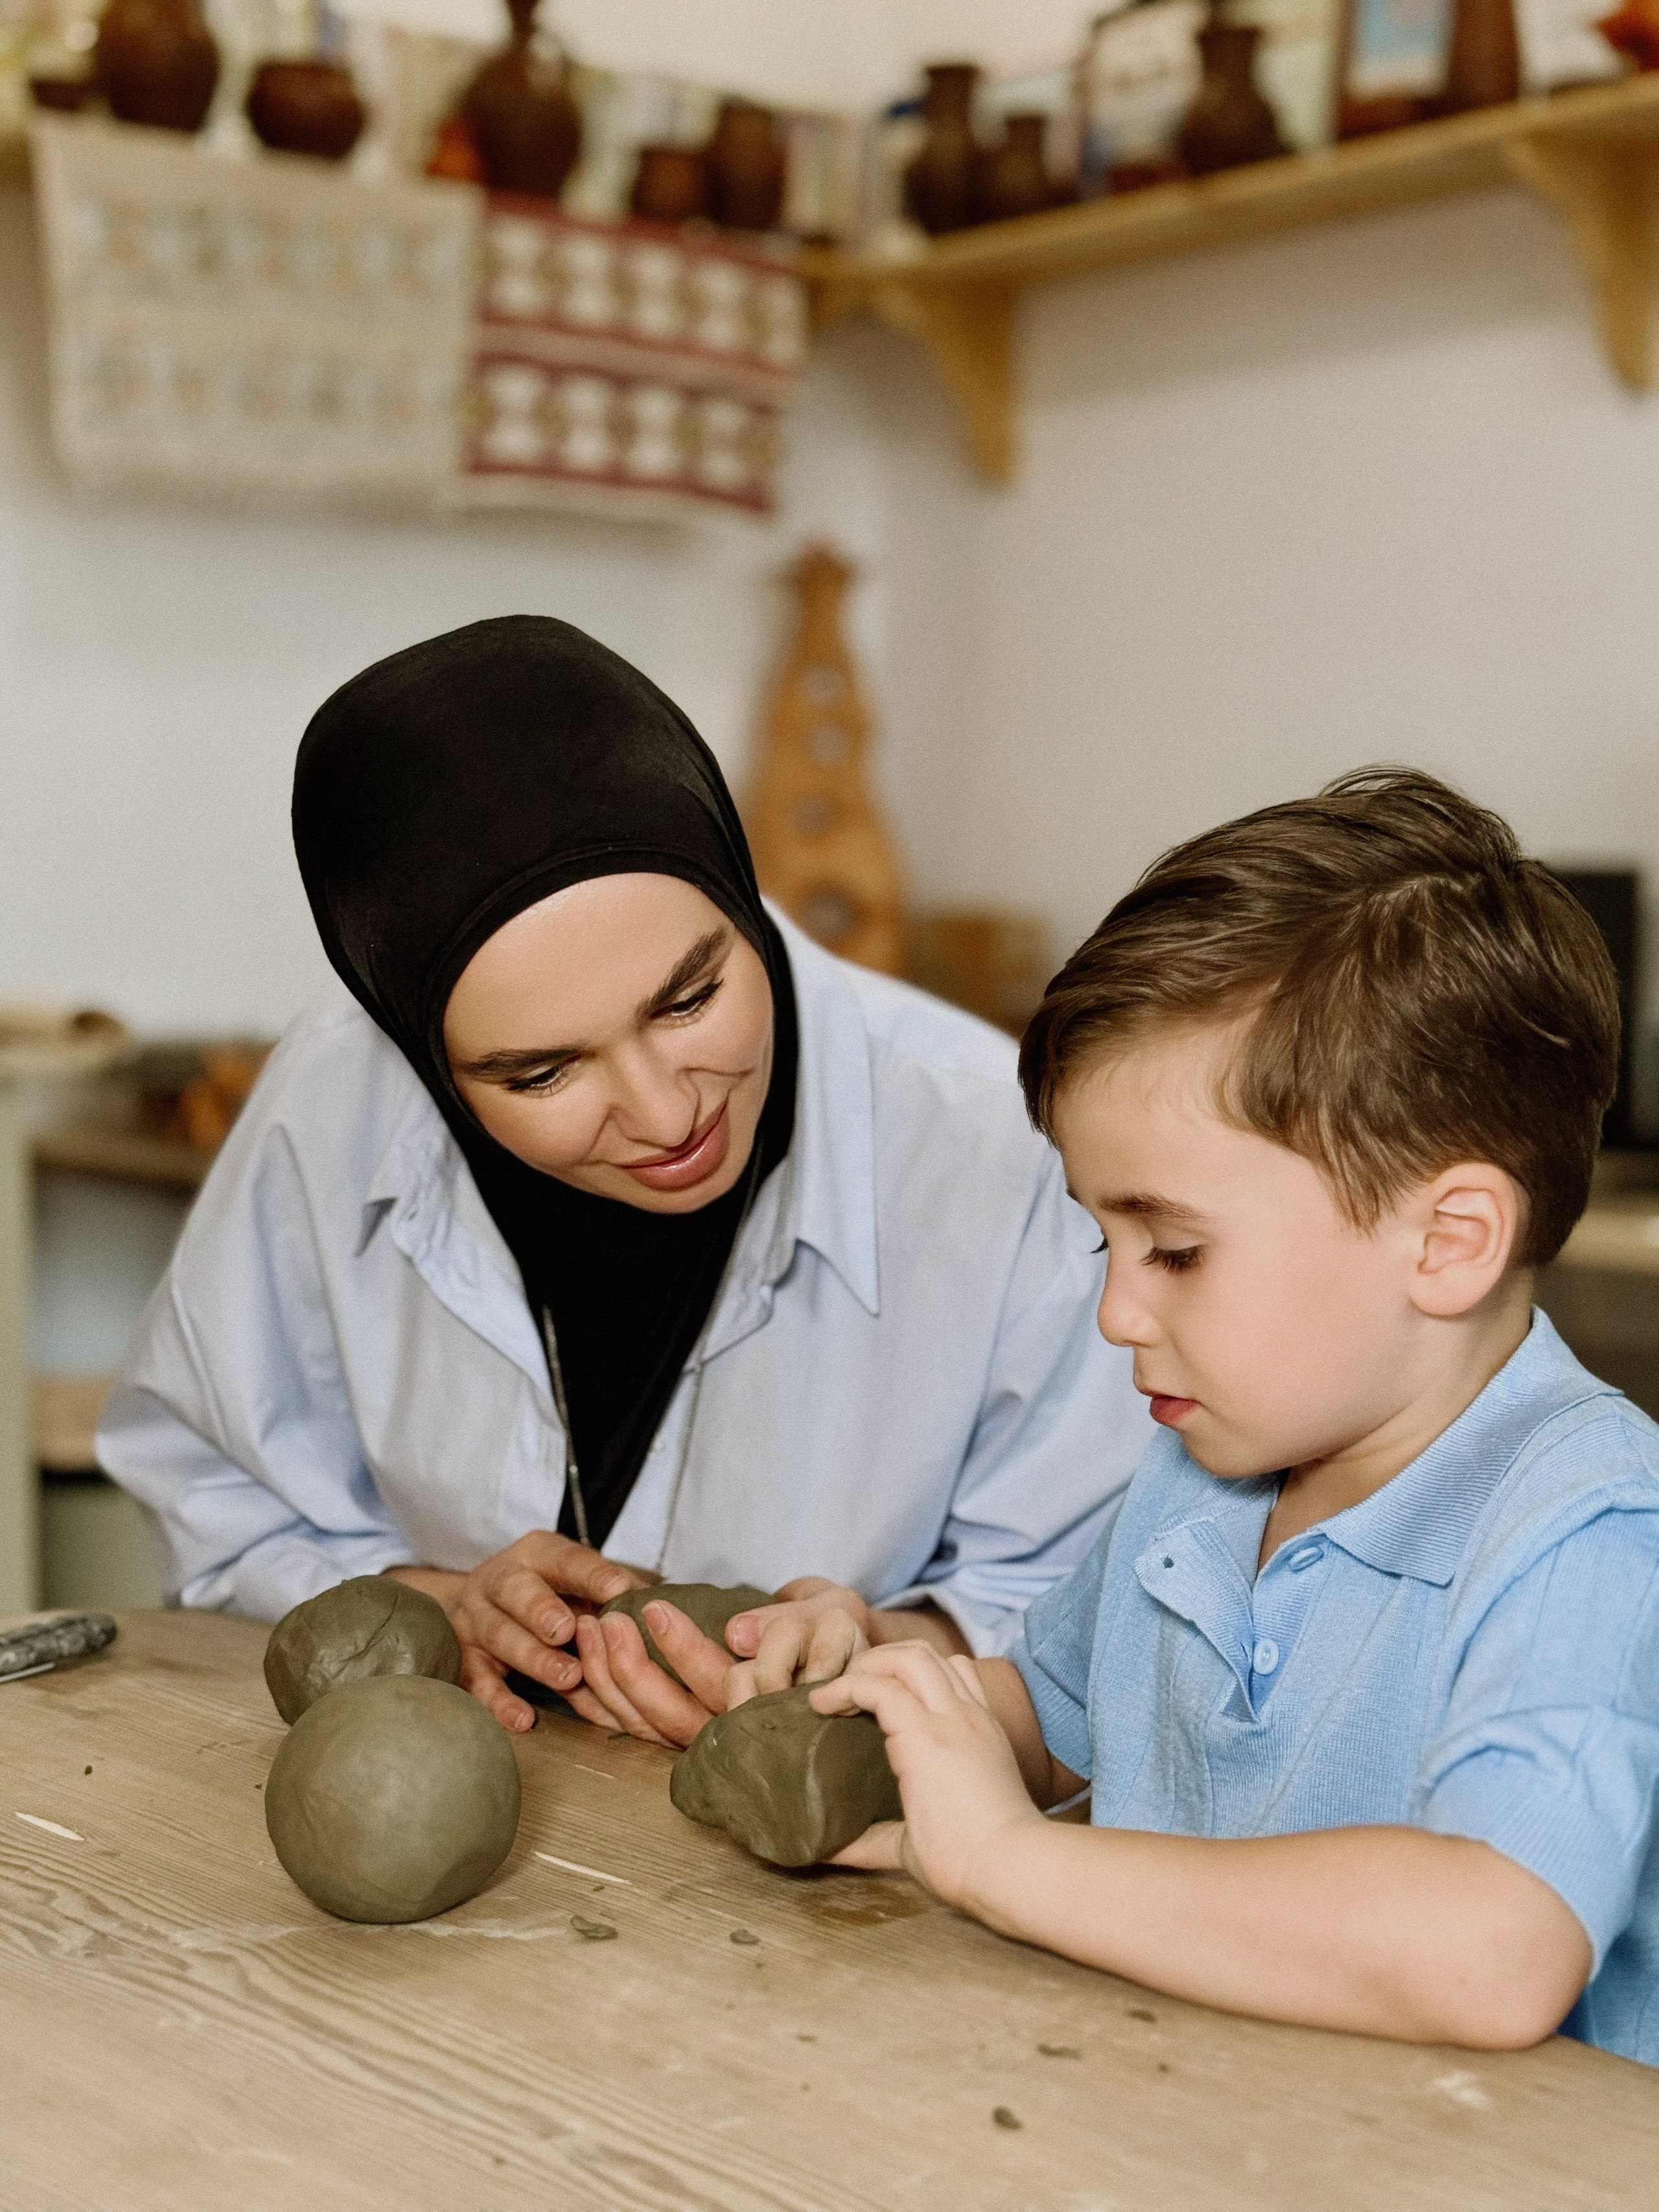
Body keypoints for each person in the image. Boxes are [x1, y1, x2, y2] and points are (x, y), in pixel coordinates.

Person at [98, 616, 1150, 1746]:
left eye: (690, 998)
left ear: (739, 895)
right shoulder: (332, 1103)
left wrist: (895, 1644)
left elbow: (1102, 1603)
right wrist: (427, 1604)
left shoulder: (999, 1145)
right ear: (424, 1059)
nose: (666, 1113)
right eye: (541, 1072)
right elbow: (212, 1489)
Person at [793, 768, 1659, 2067]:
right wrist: (885, 1687)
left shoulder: (1587, 1534)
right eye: (1103, 1243)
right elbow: (1038, 1722)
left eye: (1176, 1252)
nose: (1117, 1318)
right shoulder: (1199, 1477)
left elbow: (1492, 1952)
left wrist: (1006, 1865)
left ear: (1448, 1241)